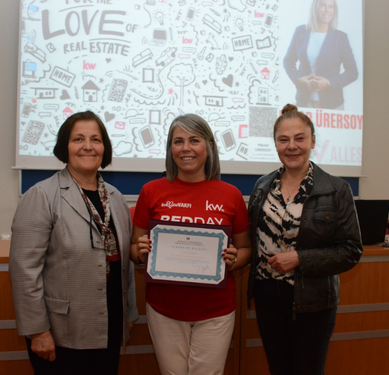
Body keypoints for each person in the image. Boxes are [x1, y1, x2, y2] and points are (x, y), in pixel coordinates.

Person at [9, 111, 139, 375]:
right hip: (62, 330)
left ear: (105, 147)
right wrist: (37, 330)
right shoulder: (42, 196)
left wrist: (127, 315)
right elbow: (24, 271)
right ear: (64, 147)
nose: (88, 146)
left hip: (110, 323)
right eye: (78, 139)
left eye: (96, 139)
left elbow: (122, 265)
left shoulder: (115, 198)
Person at [131, 114, 251, 375]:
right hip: (164, 309)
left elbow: (246, 250)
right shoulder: (151, 191)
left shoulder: (230, 195)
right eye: (178, 141)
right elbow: (134, 248)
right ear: (170, 149)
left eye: (194, 140)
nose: (185, 148)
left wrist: (234, 258)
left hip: (216, 310)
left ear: (209, 147)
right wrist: (140, 253)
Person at [247, 104, 363, 375]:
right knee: (278, 369)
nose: (292, 146)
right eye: (283, 139)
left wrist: (301, 258)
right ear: (275, 143)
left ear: (312, 140)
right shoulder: (262, 187)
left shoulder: (336, 189)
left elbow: (351, 250)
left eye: (300, 138)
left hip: (312, 302)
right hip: (268, 300)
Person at [283, 0, 358, 110]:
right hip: (304, 101)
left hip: (332, 103)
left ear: (334, 10)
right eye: (323, 5)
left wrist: (329, 83)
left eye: (331, 6)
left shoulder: (341, 38)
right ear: (315, 7)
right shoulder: (300, 32)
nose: (327, 10)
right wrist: (299, 79)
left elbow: (352, 72)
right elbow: (288, 61)